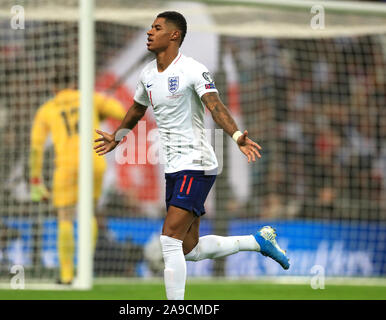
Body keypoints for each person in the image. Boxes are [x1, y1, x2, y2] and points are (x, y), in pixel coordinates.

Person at [94, 11, 289, 300]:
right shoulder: (147, 74)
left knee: (169, 240)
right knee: (189, 249)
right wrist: (118, 136)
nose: (149, 32)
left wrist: (236, 136)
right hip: (174, 168)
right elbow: (137, 108)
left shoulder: (193, 70)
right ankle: (258, 241)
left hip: (196, 163)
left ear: (174, 35)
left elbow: (216, 106)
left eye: (157, 28)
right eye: (150, 27)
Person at [30, 71, 126, 284]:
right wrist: (100, 114)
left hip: (66, 165)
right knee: (88, 213)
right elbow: (121, 112)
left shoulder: (47, 109)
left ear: (53, 88)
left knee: (65, 216)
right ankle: (84, 270)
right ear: (74, 84)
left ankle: (66, 275)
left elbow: (36, 147)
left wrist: (36, 180)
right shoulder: (90, 98)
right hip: (94, 161)